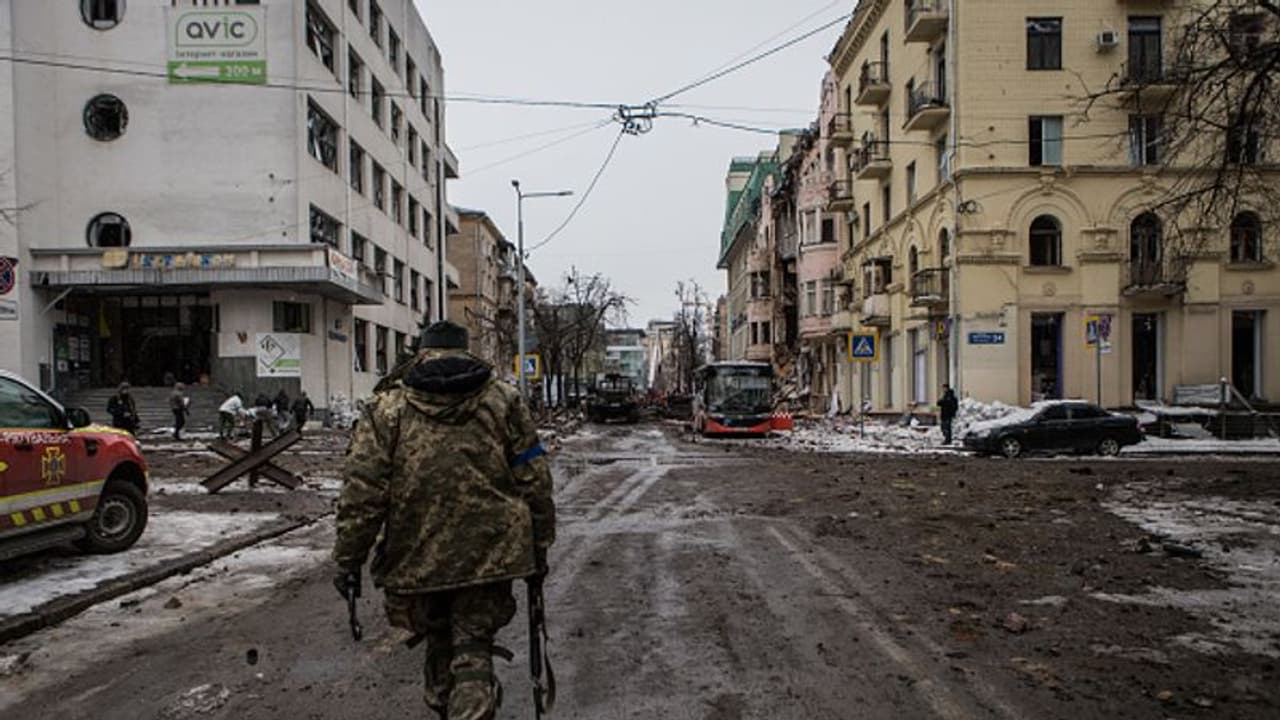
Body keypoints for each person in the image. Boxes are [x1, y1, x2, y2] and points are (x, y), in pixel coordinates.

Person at [334, 321, 556, 720]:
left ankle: (450, 703)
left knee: (438, 636)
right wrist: (539, 543)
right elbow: (533, 476)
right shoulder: (503, 400)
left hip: (416, 551)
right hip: (492, 550)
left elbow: (363, 491)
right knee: (473, 642)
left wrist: (349, 559)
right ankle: (471, 701)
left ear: (422, 351)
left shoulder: (387, 409)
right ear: (465, 350)